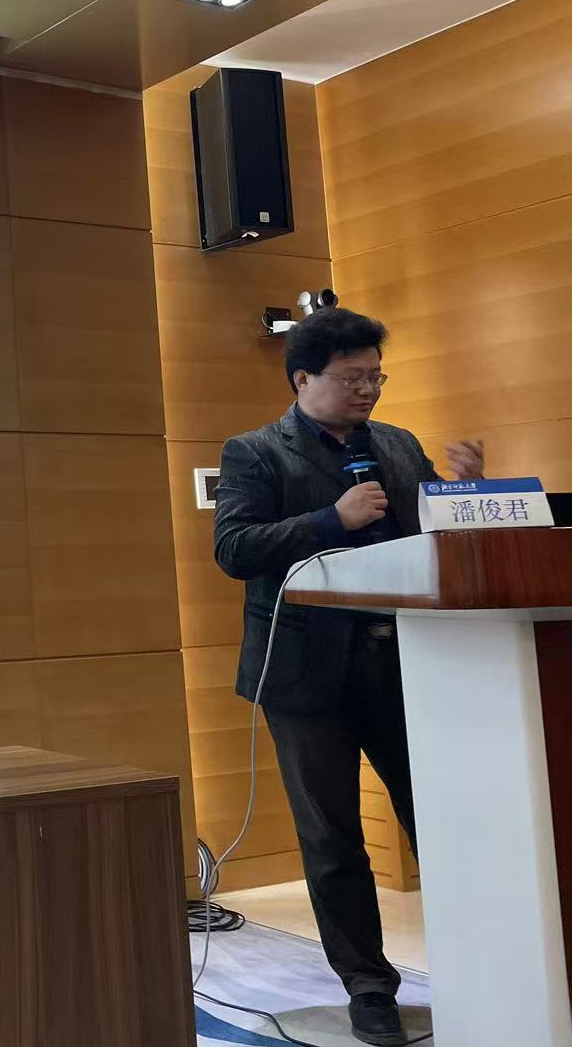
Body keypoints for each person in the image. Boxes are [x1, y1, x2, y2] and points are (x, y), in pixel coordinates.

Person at [214, 307, 482, 1047]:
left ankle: (479, 967)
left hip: (408, 664)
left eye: (376, 377)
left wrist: (466, 494)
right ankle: (369, 990)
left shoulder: (397, 444)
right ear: (303, 378)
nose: (368, 389)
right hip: (305, 678)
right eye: (353, 377)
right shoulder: (255, 452)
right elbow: (235, 547)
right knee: (333, 840)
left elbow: (430, 536)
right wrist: (332, 520)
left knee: (443, 822)